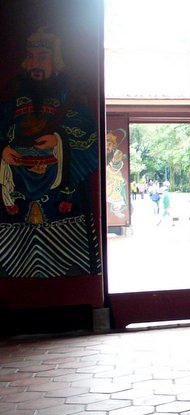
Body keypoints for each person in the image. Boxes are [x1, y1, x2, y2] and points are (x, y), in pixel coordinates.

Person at [0, 27, 99, 277]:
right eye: (31, 56)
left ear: (55, 61)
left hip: (60, 190)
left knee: (67, 261)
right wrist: (2, 150)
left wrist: (58, 139)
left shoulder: (71, 101)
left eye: (42, 57)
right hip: (17, 188)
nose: (36, 64)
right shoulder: (13, 100)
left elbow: (89, 135)